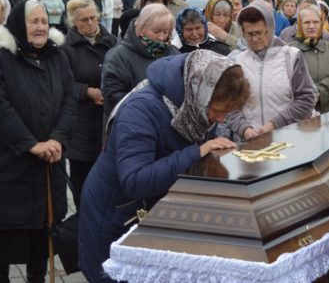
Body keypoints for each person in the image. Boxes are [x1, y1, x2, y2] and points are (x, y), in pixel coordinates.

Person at [79, 50, 250, 282]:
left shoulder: (193, 105)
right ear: (201, 94)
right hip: (116, 217)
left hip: (151, 214)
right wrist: (197, 152)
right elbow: (135, 180)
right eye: (218, 112)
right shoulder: (141, 109)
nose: (221, 120)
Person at [0, 0, 76, 283]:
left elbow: (70, 100)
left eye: (44, 21)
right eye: (33, 21)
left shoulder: (57, 57)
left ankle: (36, 278)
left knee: (40, 231)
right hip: (5, 163)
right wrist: (31, 144)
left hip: (47, 161)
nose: (41, 27)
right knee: (2, 231)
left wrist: (57, 139)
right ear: (19, 23)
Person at [227, 0, 316, 139]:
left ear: (269, 29)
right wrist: (244, 129)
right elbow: (230, 105)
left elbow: (306, 99)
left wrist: (275, 124)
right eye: (249, 34)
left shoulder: (291, 56)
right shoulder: (238, 62)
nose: (254, 39)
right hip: (251, 142)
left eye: (259, 33)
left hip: (288, 139)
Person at [61, 0, 116, 209]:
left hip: (108, 124)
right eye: (84, 20)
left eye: (93, 17)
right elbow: (62, 83)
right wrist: (87, 92)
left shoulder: (112, 42)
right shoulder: (66, 48)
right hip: (80, 128)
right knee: (82, 187)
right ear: (74, 22)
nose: (91, 23)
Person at [101, 3, 179, 118]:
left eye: (166, 32)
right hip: (132, 122)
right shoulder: (117, 56)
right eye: (156, 31)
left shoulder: (174, 53)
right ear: (141, 29)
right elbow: (112, 96)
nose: (161, 37)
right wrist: (152, 109)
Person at [288, 4, 329, 112]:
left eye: (316, 22)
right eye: (307, 22)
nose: (311, 26)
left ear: (321, 24)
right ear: (300, 25)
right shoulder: (289, 51)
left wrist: (318, 92)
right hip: (299, 112)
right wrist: (304, 95)